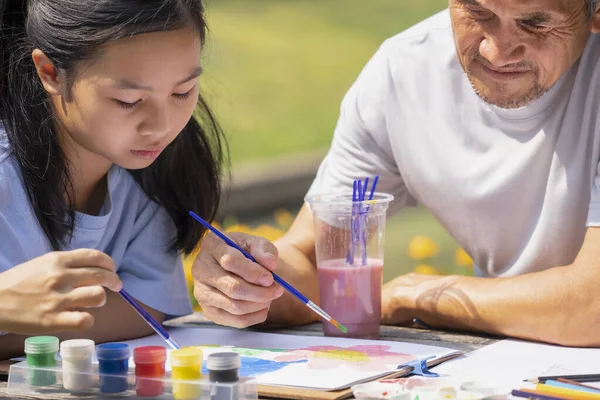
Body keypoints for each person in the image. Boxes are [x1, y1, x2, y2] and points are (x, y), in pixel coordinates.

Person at [193, 0, 600, 347]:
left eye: (536, 23)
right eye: (477, 12)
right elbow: (314, 266)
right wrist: (248, 278)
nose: (497, 50)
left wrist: (418, 296)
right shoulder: (404, 73)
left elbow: (591, 307)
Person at [0, 0, 225, 360]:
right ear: (51, 72)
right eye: (129, 100)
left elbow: (144, 310)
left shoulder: (150, 176)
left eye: (182, 93)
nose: (160, 126)